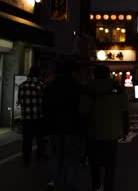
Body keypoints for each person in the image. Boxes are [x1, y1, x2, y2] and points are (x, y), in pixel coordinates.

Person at [44, 60, 86, 191]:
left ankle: (52, 181)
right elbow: (82, 109)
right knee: (71, 157)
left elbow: (45, 108)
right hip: (73, 127)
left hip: (55, 126)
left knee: (55, 154)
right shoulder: (78, 87)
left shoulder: (50, 87)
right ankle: (70, 183)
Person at [86, 65, 129, 191]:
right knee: (110, 164)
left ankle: (96, 185)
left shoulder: (88, 88)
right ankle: (108, 187)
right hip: (112, 132)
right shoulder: (117, 88)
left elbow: (83, 110)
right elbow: (124, 110)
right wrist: (125, 129)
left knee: (94, 163)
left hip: (92, 131)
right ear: (108, 74)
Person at [17, 66, 46, 166]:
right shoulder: (41, 85)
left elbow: (20, 101)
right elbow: (45, 101)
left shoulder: (22, 86)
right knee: (40, 138)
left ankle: (26, 158)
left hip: (26, 117)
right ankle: (40, 156)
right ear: (38, 74)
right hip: (38, 117)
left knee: (27, 139)